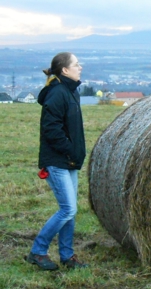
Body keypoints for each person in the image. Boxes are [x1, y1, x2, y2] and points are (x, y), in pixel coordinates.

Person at [25, 52, 88, 270]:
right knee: (67, 209)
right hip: (58, 161)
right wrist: (71, 151)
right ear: (65, 70)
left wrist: (76, 154)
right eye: (76, 64)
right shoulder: (57, 93)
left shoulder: (71, 92)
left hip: (69, 161)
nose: (80, 67)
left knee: (70, 210)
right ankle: (38, 251)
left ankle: (67, 256)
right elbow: (51, 129)